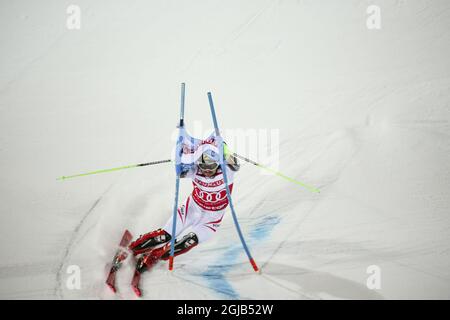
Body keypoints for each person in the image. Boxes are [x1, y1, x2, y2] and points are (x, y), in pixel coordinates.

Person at [129, 145, 240, 273]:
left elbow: (235, 163)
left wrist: (221, 146)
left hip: (211, 220)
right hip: (191, 210)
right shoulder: (195, 169)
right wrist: (180, 153)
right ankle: (130, 250)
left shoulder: (227, 171)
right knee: (165, 236)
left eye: (211, 166)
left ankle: (154, 256)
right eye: (203, 166)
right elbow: (180, 170)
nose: (207, 170)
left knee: (187, 242)